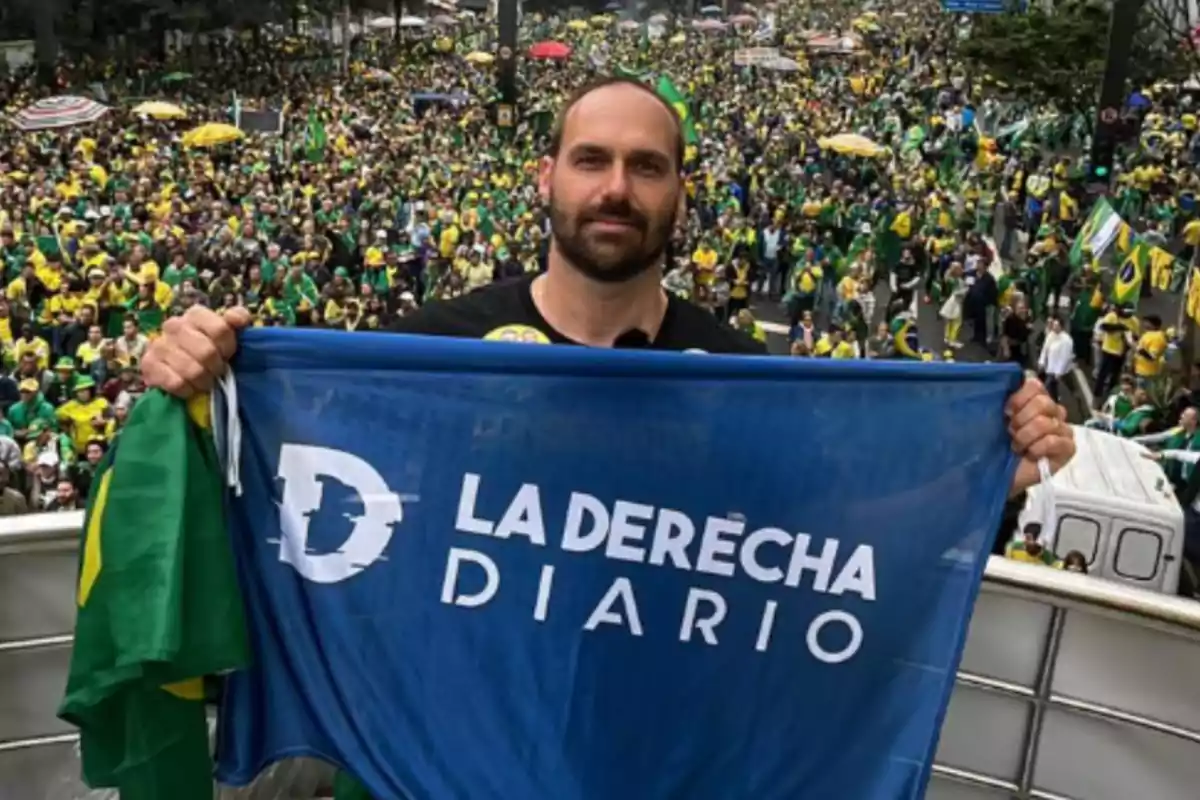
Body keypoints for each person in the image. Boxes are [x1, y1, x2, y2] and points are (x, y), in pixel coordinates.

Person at [142, 77, 1073, 502]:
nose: (616, 188)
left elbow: (852, 537)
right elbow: (277, 486)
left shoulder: (750, 378)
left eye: (646, 166)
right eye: (592, 160)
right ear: (546, 178)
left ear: (679, 193)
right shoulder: (424, 347)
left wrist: (994, 471)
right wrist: (195, 386)